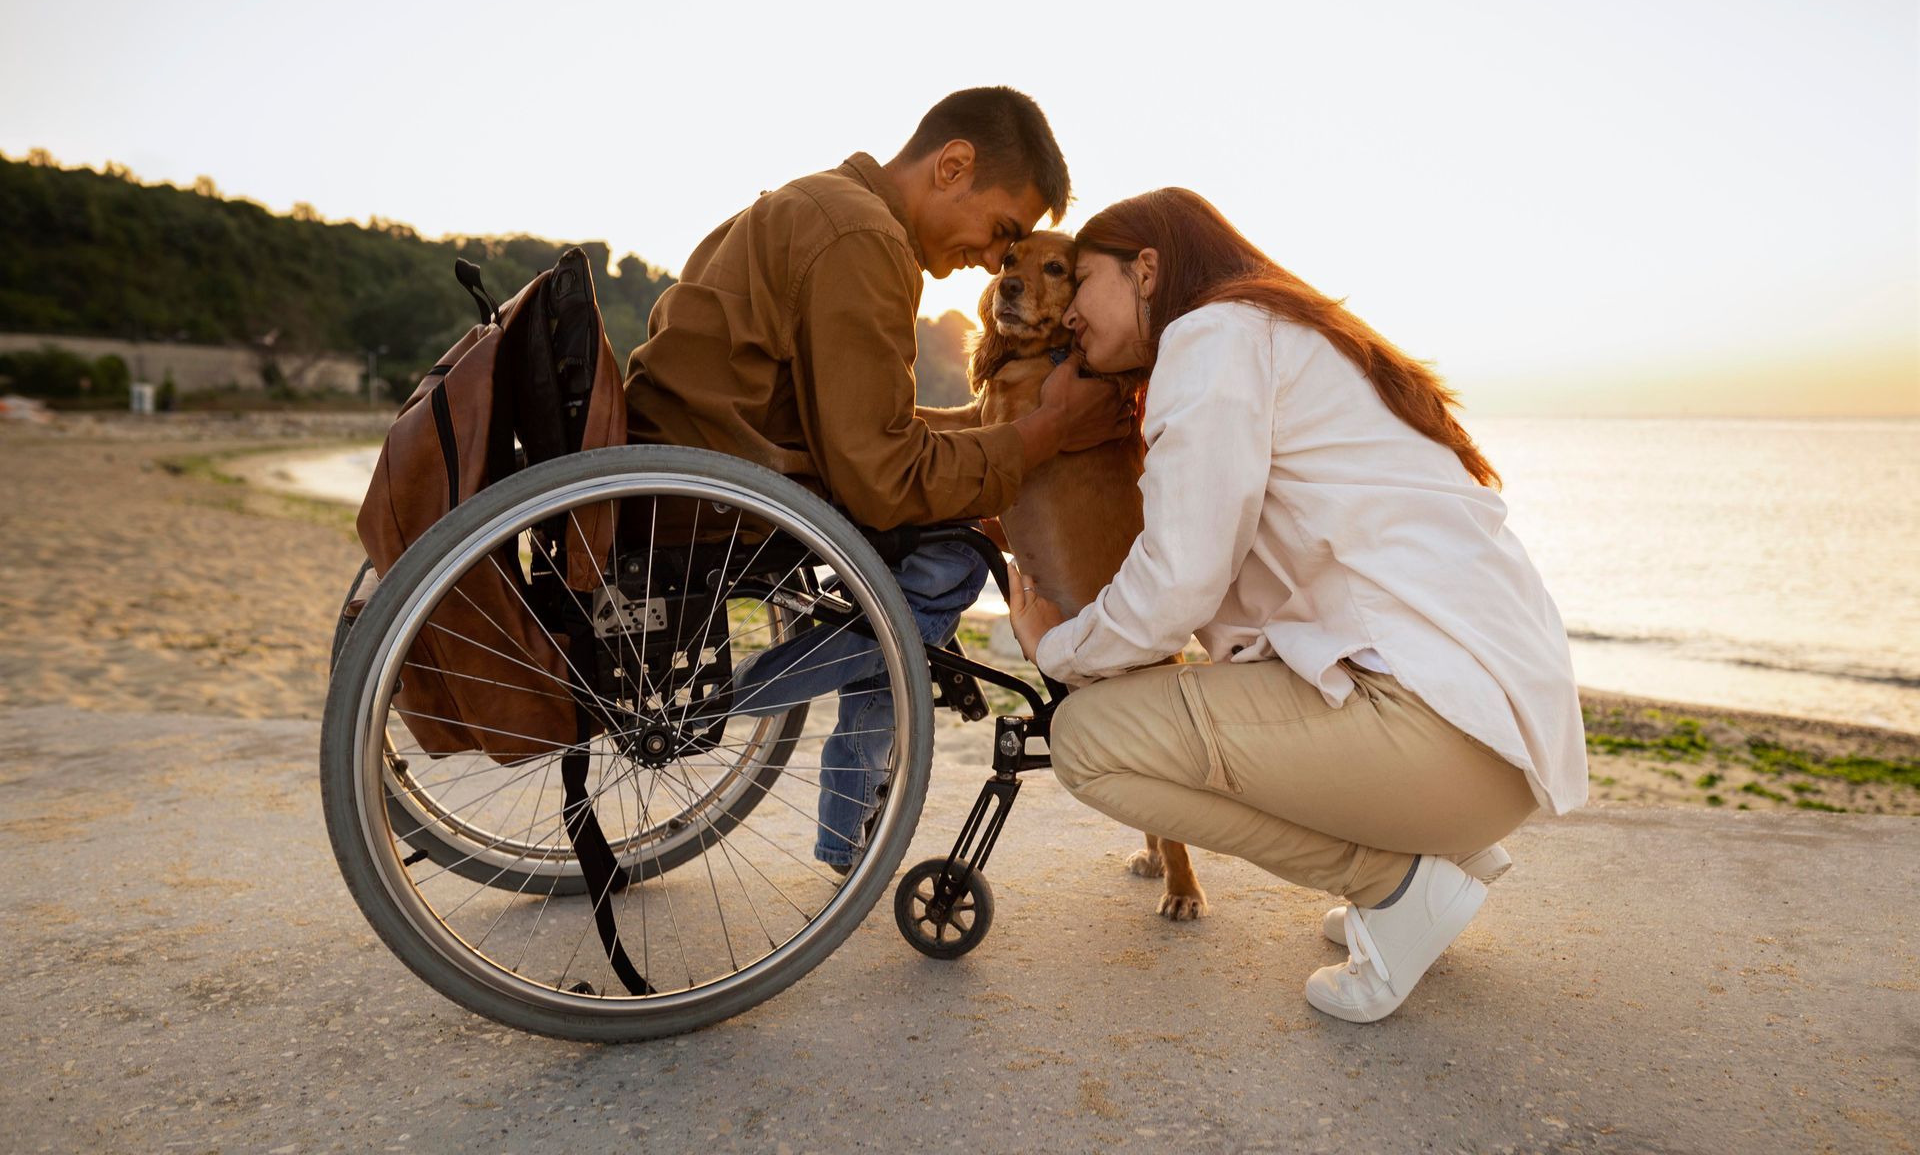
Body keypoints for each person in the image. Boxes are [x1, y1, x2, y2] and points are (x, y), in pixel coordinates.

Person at [1006, 188, 1587, 1023]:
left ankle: (1398, 885)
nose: (1069, 316)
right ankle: (1428, 854)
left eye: (1083, 281)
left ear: (1146, 270)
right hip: (1491, 742)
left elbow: (1180, 583)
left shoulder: (1208, 340)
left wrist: (1055, 647)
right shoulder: (1284, 333)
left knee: (1086, 743)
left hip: (1439, 740)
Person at [623, 87, 1132, 871]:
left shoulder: (819, 205)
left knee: (926, 545)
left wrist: (1022, 434)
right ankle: (749, 715)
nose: (993, 264)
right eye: (1001, 234)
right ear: (953, 165)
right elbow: (881, 478)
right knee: (952, 559)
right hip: (723, 500)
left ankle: (846, 821)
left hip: (709, 466)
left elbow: (869, 432)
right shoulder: (861, 239)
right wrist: (1046, 433)